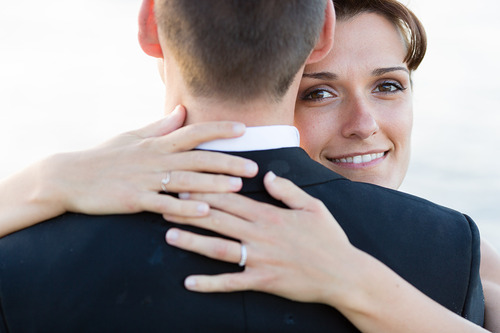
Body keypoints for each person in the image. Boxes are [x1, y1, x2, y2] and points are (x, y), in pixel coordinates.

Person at [0, 0, 485, 332]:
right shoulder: (448, 250)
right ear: (322, 32)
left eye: (390, 86)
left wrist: (43, 183)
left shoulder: (25, 255)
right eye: (318, 92)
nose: (363, 124)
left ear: (150, 23)